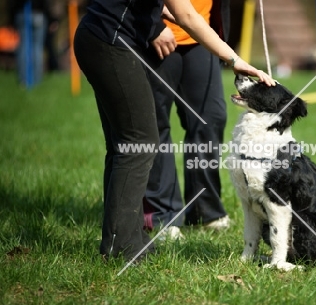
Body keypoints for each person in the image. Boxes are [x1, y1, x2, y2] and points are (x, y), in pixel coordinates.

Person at [73, 0, 275, 262]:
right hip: (111, 41)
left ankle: (127, 237)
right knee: (140, 140)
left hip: (102, 37)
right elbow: (187, 14)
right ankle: (123, 246)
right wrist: (235, 60)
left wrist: (156, 11)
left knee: (125, 144)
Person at [142, 0, 231, 237]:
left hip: (201, 31)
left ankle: (204, 209)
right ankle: (162, 215)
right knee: (154, 124)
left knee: (211, 118)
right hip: (155, 35)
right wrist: (151, 25)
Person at [9, 0, 55, 86]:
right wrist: (50, 18)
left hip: (22, 13)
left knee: (23, 47)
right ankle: (36, 80)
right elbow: (46, 3)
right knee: (37, 48)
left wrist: (11, 18)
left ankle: (24, 80)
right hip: (38, 14)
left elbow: (12, 3)